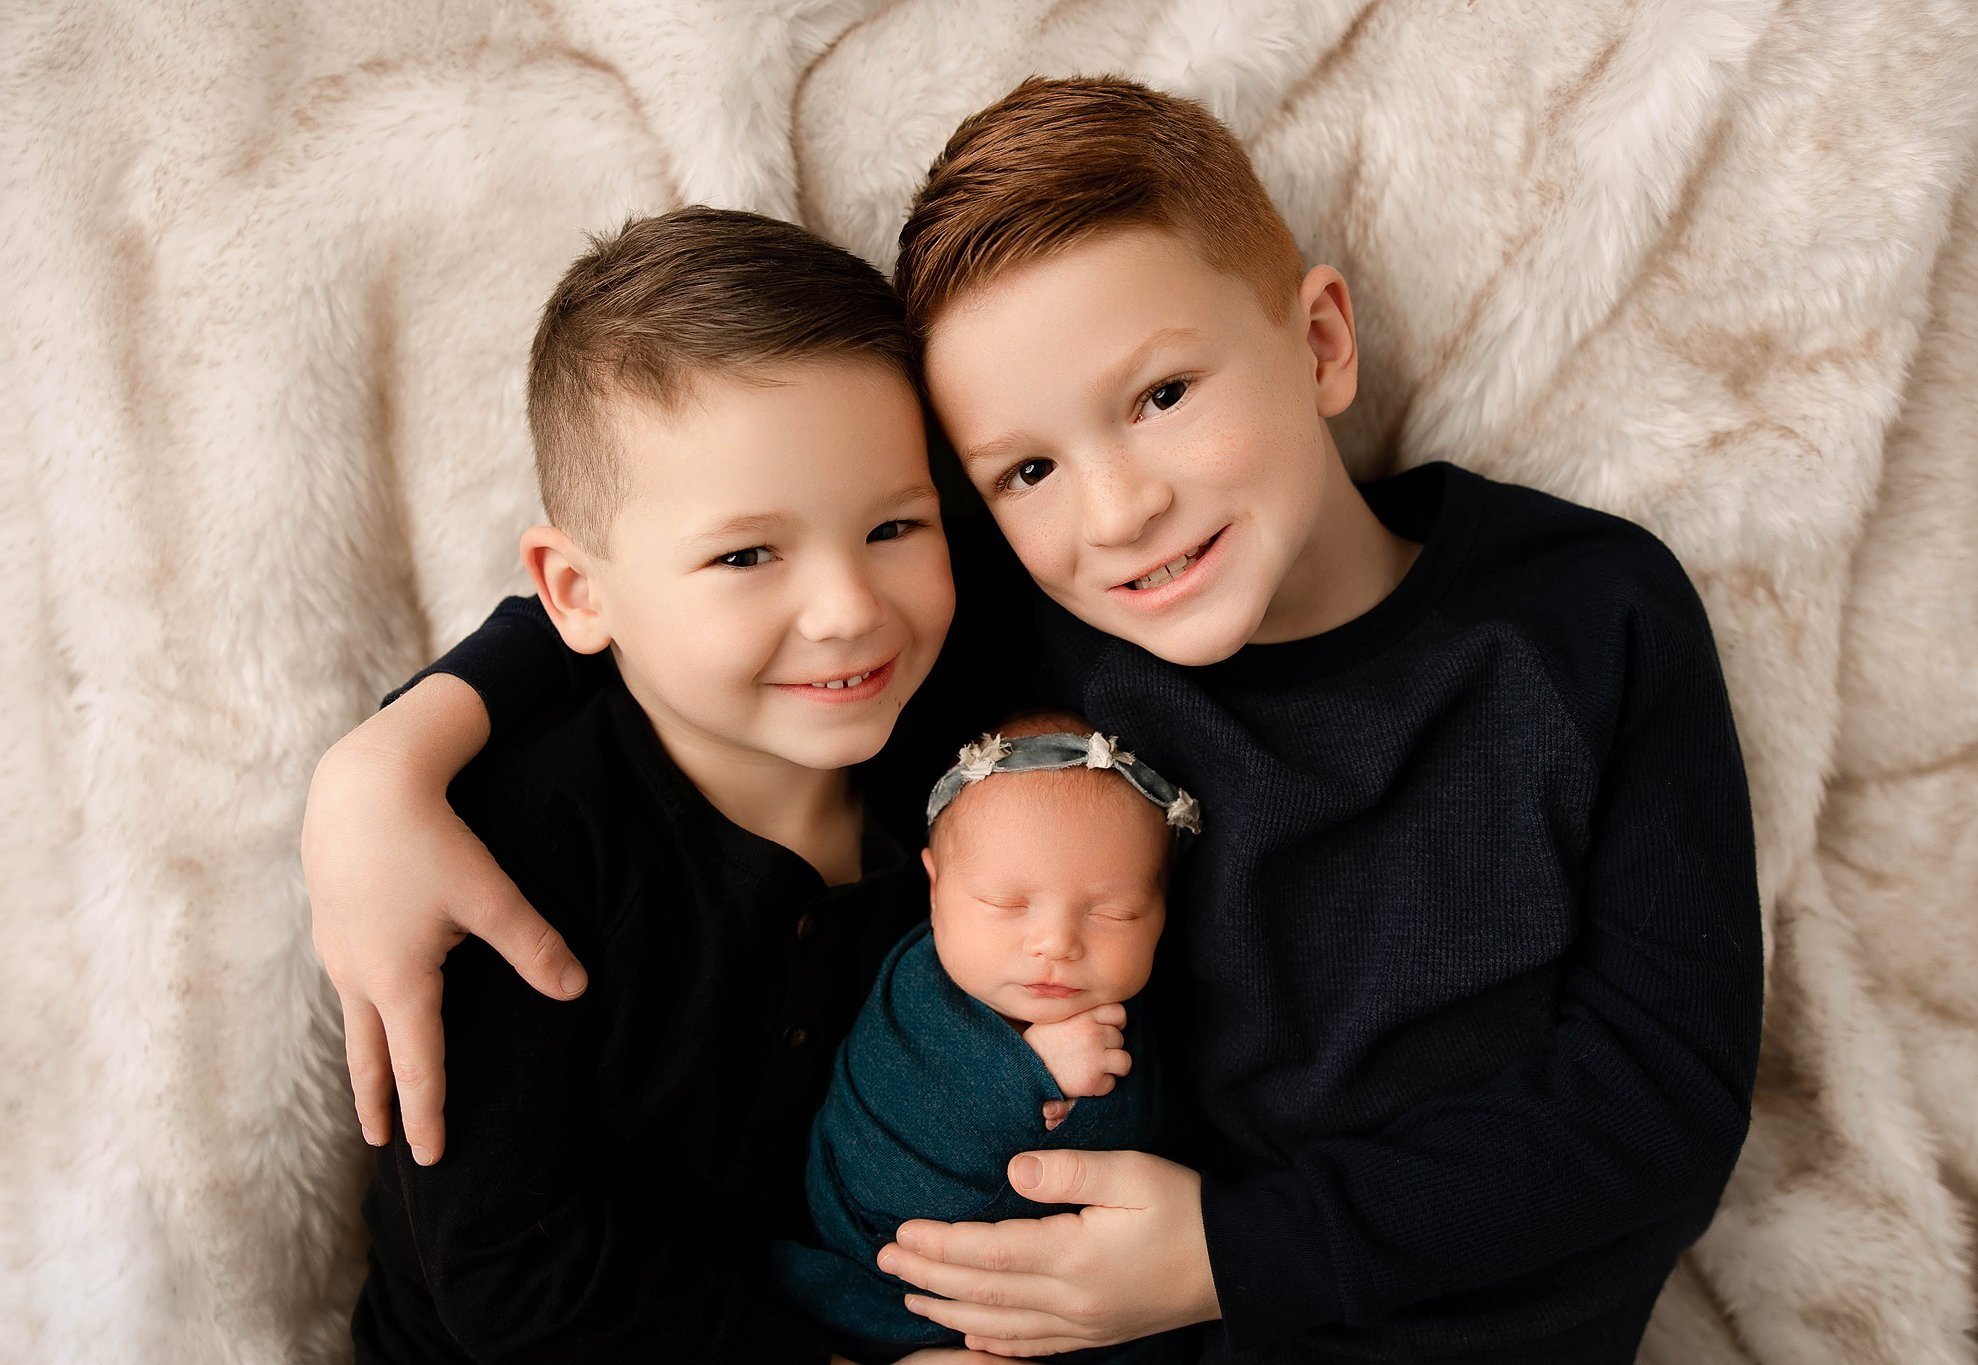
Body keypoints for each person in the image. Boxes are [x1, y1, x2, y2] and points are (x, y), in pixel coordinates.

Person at [307, 76, 1765, 1363]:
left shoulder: (1588, 617)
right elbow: (705, 589)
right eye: (1021, 473)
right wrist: (396, 754)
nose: (1121, 508)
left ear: (1322, 341)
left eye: (1166, 394)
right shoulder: (1023, 629)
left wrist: (1223, 1255)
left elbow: (1657, 1102)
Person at [344, 204, 1007, 1365]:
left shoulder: (958, 756)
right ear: (576, 591)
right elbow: (509, 1277)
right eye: (747, 555)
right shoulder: (505, 850)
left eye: (895, 524)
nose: (849, 607)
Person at [776, 710, 1201, 1365]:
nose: (1056, 943)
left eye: (1114, 912)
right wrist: (1031, 1073)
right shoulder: (915, 995)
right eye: (1007, 904)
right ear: (936, 889)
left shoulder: (1153, 1021)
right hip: (890, 1302)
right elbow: (881, 1157)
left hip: (1097, 1310)